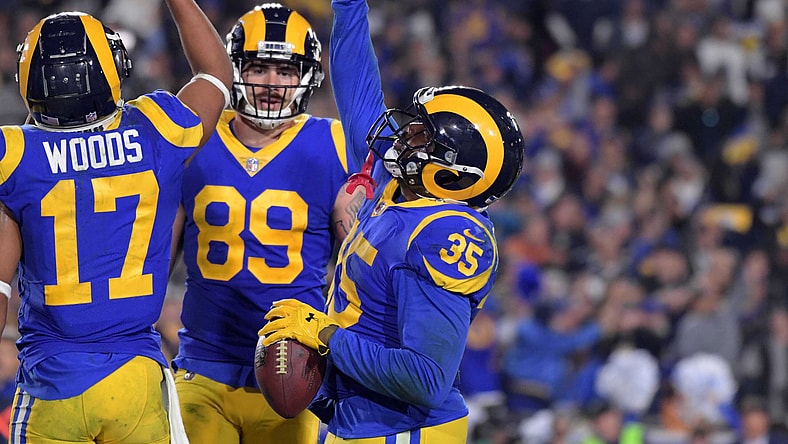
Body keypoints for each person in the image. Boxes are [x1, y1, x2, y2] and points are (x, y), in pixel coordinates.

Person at [258, 0, 526, 441]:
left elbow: (426, 378)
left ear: (455, 172)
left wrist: (327, 336)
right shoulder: (398, 185)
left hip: (406, 431)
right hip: (358, 422)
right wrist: (349, 8)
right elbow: (358, 90)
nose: (405, 134)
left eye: (422, 135)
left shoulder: (447, 234)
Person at [0, 0, 232, 441]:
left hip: (52, 380)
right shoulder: (157, 131)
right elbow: (215, 75)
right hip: (135, 377)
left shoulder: (14, 156)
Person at [168, 3, 367, 443]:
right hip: (204, 364)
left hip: (296, 368)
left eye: (285, 71)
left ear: (306, 77)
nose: (272, 83)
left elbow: (359, 265)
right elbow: (156, 253)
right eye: (259, 68)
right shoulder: (194, 133)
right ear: (235, 70)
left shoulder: (334, 143)